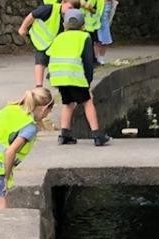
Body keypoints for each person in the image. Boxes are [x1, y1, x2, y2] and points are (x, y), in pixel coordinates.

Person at [47, 10, 111, 146]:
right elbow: (88, 62)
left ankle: (64, 134)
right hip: (74, 75)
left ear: (65, 25)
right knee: (88, 102)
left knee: (67, 103)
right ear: (83, 25)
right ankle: (97, 134)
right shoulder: (84, 37)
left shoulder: (59, 37)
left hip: (59, 77)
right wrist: (88, 81)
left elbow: (50, 56)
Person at [17, 0, 82, 87]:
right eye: (70, 8)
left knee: (57, 58)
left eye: (74, 10)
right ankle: (39, 85)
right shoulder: (49, 8)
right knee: (41, 60)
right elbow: (32, 15)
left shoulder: (70, 17)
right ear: (63, 3)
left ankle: (54, 76)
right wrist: (23, 28)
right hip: (40, 39)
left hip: (53, 42)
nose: (71, 11)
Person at [96, 0, 119, 66]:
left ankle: (101, 57)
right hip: (98, 23)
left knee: (105, 42)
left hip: (105, 24)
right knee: (98, 41)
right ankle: (96, 57)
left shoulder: (113, 3)